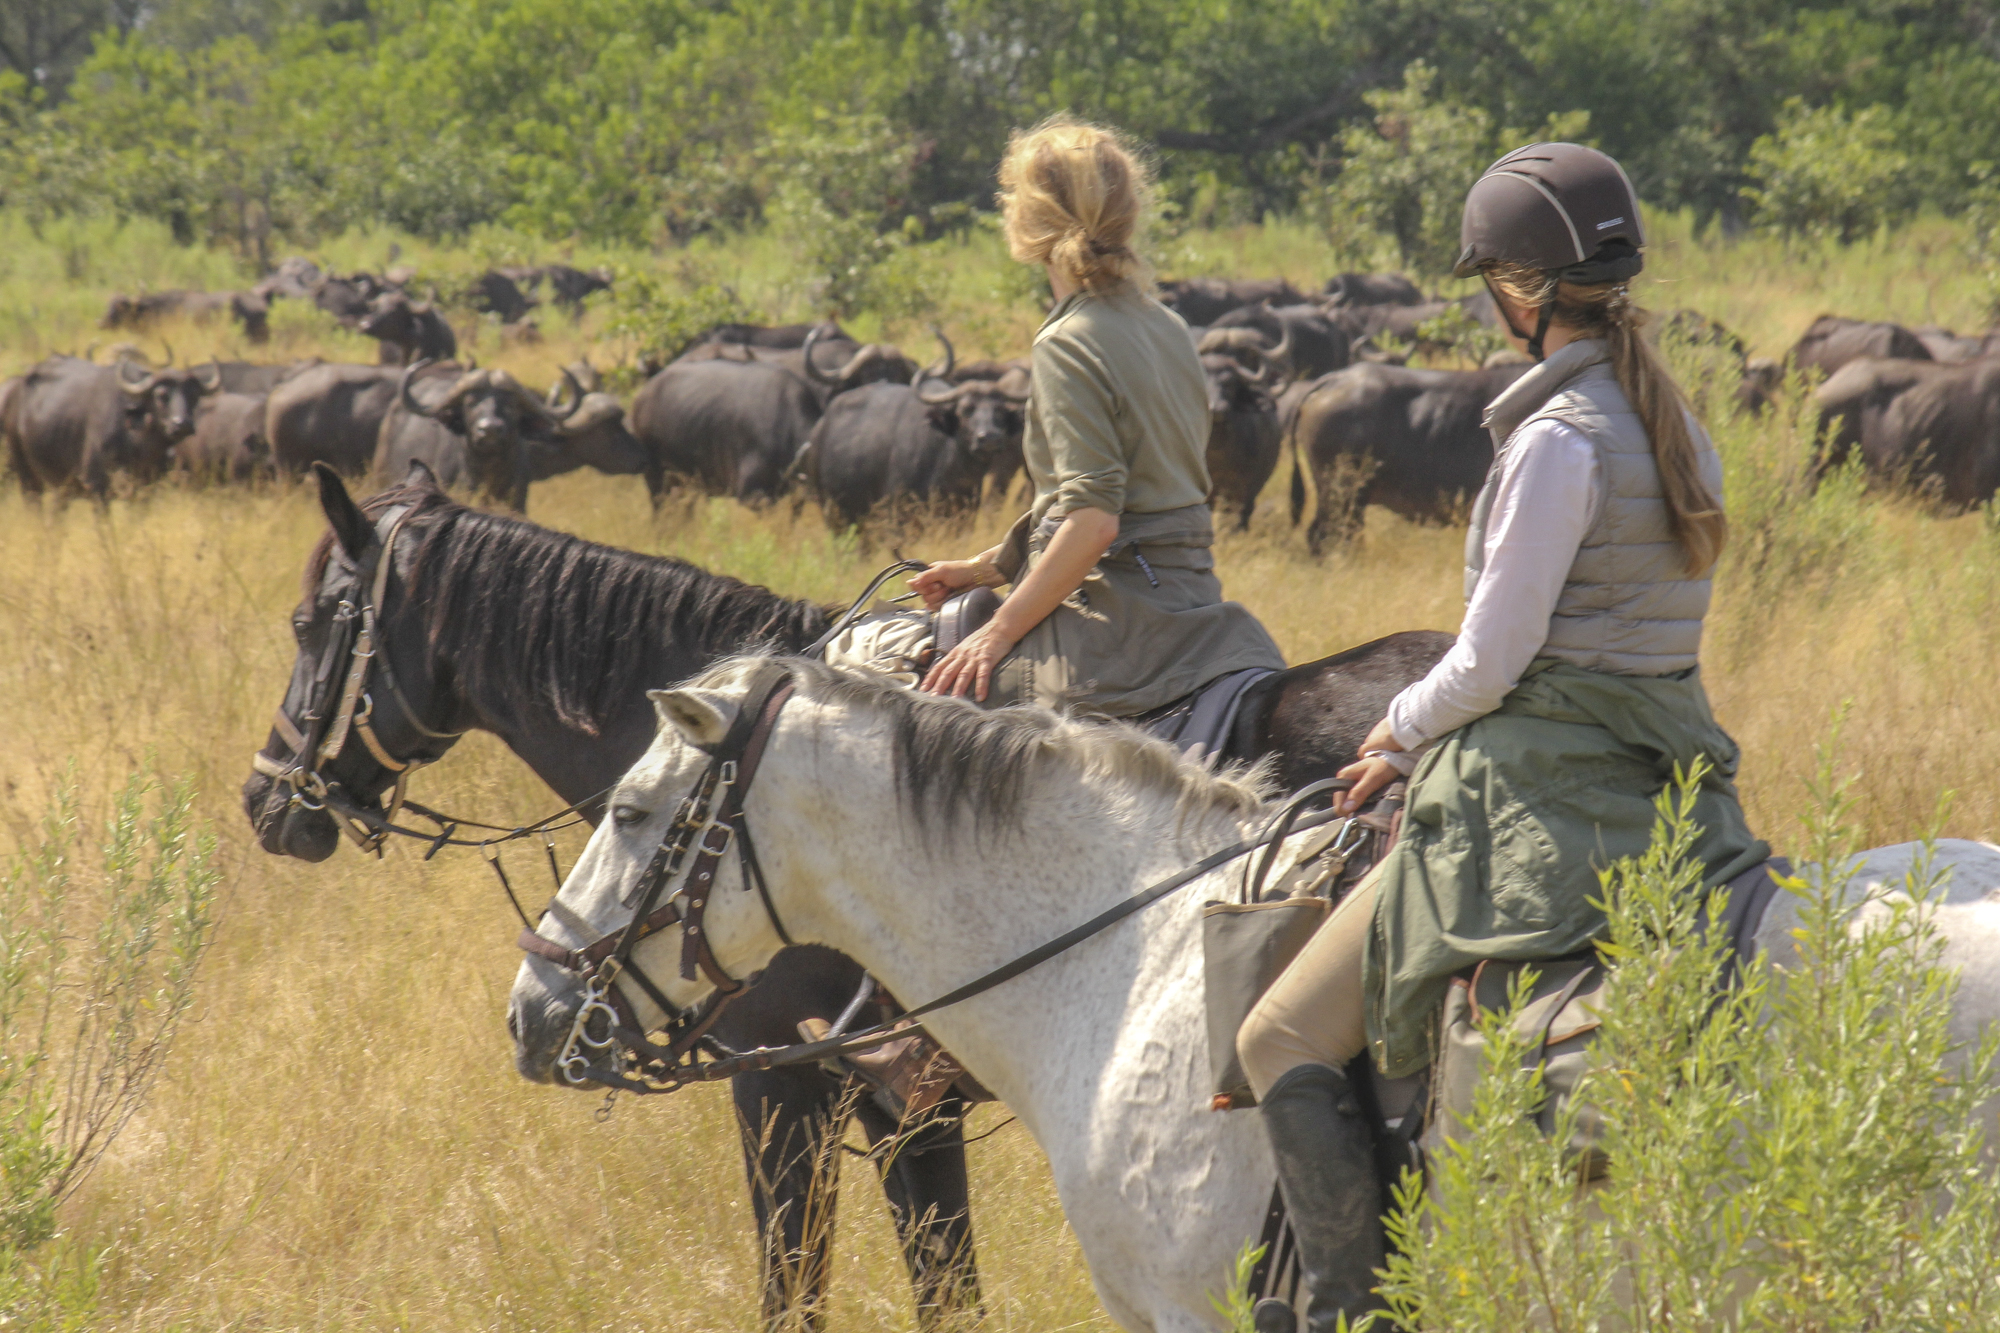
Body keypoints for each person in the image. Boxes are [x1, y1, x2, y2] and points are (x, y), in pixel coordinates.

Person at [1234, 143, 1769, 1328]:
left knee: (1275, 1032)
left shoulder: (1553, 439)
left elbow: (1488, 655)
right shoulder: (1664, 412)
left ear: (1515, 293)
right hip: (1661, 771)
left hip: (1535, 786)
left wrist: (1387, 731)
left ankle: (1349, 1311)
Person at [840, 114, 1282, 714]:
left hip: (1113, 622)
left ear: (1028, 218)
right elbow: (1142, 496)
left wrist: (995, 635)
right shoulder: (1169, 325)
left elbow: (1096, 521)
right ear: (1126, 210)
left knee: (878, 680)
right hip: (1193, 601)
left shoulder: (1067, 340)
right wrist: (987, 568)